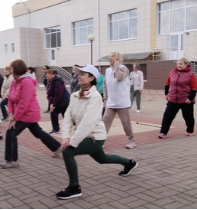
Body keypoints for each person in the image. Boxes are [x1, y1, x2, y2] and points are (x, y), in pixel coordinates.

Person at [56, 64, 138, 200]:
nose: (79, 76)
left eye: (83, 74)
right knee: (102, 159)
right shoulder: (75, 95)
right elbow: (68, 117)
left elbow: (88, 123)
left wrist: (73, 141)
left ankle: (74, 187)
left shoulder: (95, 97)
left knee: (68, 152)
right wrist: (65, 136)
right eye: (79, 73)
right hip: (85, 136)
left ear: (91, 78)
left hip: (95, 137)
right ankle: (129, 163)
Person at [0, 59, 62, 169]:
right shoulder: (15, 81)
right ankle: (57, 147)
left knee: (11, 133)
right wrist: (10, 113)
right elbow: (11, 99)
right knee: (38, 133)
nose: (10, 70)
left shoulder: (26, 82)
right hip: (21, 113)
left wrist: (15, 117)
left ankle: (12, 160)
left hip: (28, 113)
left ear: (17, 69)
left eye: (12, 68)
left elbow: (24, 102)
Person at [158, 57, 197, 139]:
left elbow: (194, 87)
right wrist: (166, 94)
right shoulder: (172, 72)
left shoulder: (190, 74)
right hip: (173, 99)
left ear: (186, 65)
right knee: (167, 116)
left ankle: (190, 131)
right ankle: (163, 132)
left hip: (186, 100)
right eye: (178, 63)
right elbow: (167, 83)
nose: (179, 65)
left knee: (188, 117)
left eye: (181, 64)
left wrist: (190, 99)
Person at [103, 52, 136, 149]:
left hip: (122, 102)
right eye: (110, 57)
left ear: (118, 58)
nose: (110, 58)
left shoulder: (123, 68)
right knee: (105, 120)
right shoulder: (108, 70)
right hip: (111, 102)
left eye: (112, 57)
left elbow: (119, 77)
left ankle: (131, 139)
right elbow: (106, 85)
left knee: (125, 122)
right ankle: (101, 140)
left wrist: (116, 66)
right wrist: (105, 98)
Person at [46, 69, 70, 134]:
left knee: (53, 112)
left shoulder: (57, 82)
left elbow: (59, 94)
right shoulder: (50, 81)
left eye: (49, 74)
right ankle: (72, 127)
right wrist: (51, 103)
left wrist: (54, 104)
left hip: (63, 100)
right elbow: (50, 94)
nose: (47, 75)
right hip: (60, 100)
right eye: (47, 74)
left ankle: (56, 129)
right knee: (66, 116)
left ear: (53, 75)